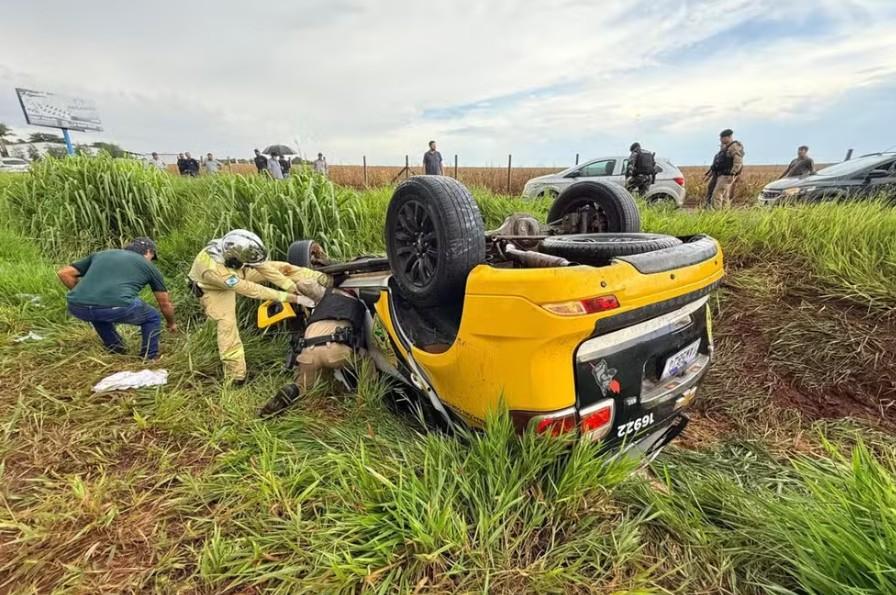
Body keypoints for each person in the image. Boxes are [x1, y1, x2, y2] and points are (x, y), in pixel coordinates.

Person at [188, 229, 327, 383]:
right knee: (226, 326)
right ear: (234, 259)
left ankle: (324, 278)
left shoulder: (236, 246)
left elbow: (266, 268)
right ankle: (236, 376)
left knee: (283, 268)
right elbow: (252, 290)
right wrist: (294, 298)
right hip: (216, 288)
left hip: (239, 271)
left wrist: (292, 287)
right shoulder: (213, 270)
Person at [57, 237, 176, 360]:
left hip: (77, 306)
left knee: (100, 315)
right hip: (117, 307)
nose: (151, 261)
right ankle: (149, 357)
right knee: (152, 317)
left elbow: (64, 273)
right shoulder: (149, 267)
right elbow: (164, 304)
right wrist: (171, 323)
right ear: (149, 252)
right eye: (152, 258)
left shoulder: (102, 254)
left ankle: (116, 349)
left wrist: (82, 293)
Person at [259, 286, 371, 416]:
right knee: (367, 360)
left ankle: (288, 397)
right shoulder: (354, 305)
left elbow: (304, 284)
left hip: (308, 353)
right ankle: (365, 403)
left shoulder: (322, 304)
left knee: (303, 389)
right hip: (334, 351)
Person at [704, 129, 744, 208]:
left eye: (723, 137)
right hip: (720, 174)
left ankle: (716, 214)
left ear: (729, 137)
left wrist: (733, 174)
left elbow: (738, 162)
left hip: (727, 175)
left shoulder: (734, 147)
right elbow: (718, 163)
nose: (721, 140)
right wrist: (709, 175)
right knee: (724, 196)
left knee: (716, 195)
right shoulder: (725, 147)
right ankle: (725, 213)